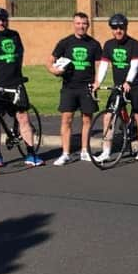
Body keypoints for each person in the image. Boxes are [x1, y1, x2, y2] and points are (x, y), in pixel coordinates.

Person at [0, 8, 43, 168]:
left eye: (4, 19)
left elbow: (19, 56)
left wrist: (18, 75)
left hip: (16, 85)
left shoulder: (15, 35)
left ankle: (31, 153)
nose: (1, 22)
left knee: (23, 118)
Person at [46, 12, 102, 166]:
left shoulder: (94, 44)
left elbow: (99, 65)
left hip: (87, 87)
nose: (81, 26)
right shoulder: (65, 43)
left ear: (88, 25)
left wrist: (97, 81)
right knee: (66, 119)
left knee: (87, 119)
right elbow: (50, 61)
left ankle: (85, 151)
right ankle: (65, 153)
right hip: (69, 87)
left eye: (84, 23)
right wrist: (54, 70)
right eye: (78, 23)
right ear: (73, 24)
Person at [94, 13, 138, 162]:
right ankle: (106, 152)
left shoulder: (135, 45)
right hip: (118, 86)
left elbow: (134, 66)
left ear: (126, 27)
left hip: (134, 85)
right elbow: (104, 65)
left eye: (121, 27)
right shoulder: (109, 45)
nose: (118, 30)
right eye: (115, 28)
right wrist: (98, 81)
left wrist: (128, 81)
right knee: (108, 117)